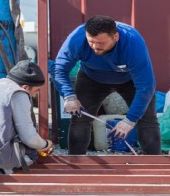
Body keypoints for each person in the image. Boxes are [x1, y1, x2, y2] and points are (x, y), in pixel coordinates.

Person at [54, 15, 161, 155]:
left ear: (116, 36)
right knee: (80, 120)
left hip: (129, 80)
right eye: (91, 42)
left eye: (101, 43)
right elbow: (59, 69)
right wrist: (69, 95)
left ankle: (153, 166)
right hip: (91, 78)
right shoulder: (76, 39)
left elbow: (146, 86)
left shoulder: (133, 43)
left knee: (147, 120)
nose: (95, 47)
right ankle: (76, 163)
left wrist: (130, 120)